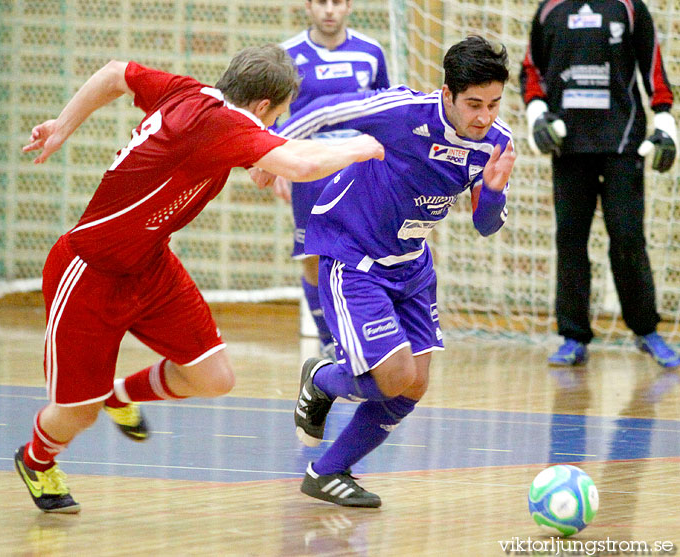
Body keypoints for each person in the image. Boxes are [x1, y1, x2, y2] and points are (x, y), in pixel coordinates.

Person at [14, 44, 384, 514]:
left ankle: (119, 394)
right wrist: (364, 146)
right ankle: (37, 460)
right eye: (274, 119)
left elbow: (113, 73)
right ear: (262, 107)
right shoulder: (225, 126)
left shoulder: (189, 93)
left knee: (213, 376)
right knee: (76, 413)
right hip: (89, 271)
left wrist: (61, 126)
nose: (268, 129)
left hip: (149, 264)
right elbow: (302, 164)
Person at [274, 35, 515, 507]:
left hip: (411, 265)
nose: (483, 117)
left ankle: (327, 471)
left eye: (493, 104)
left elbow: (486, 225)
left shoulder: (496, 143)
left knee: (415, 383)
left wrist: (495, 191)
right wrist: (272, 155)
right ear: (447, 94)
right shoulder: (405, 111)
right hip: (353, 254)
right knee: (391, 377)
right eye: (473, 104)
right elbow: (324, 111)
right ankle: (321, 378)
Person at [520, 0, 680, 368]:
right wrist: (536, 115)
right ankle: (573, 336)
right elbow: (531, 71)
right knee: (570, 239)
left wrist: (666, 125)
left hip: (622, 142)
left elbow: (653, 70)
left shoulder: (629, 7)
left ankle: (646, 330)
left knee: (627, 237)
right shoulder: (550, 9)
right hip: (569, 144)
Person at [278, 0, 390, 360]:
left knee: (366, 252)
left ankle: (368, 335)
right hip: (309, 168)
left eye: (337, 2)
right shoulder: (287, 55)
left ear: (349, 6)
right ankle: (330, 342)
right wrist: (275, 164)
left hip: (359, 170)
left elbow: (385, 110)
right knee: (312, 255)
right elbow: (270, 115)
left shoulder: (370, 52)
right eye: (321, 2)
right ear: (308, 6)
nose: (329, 10)